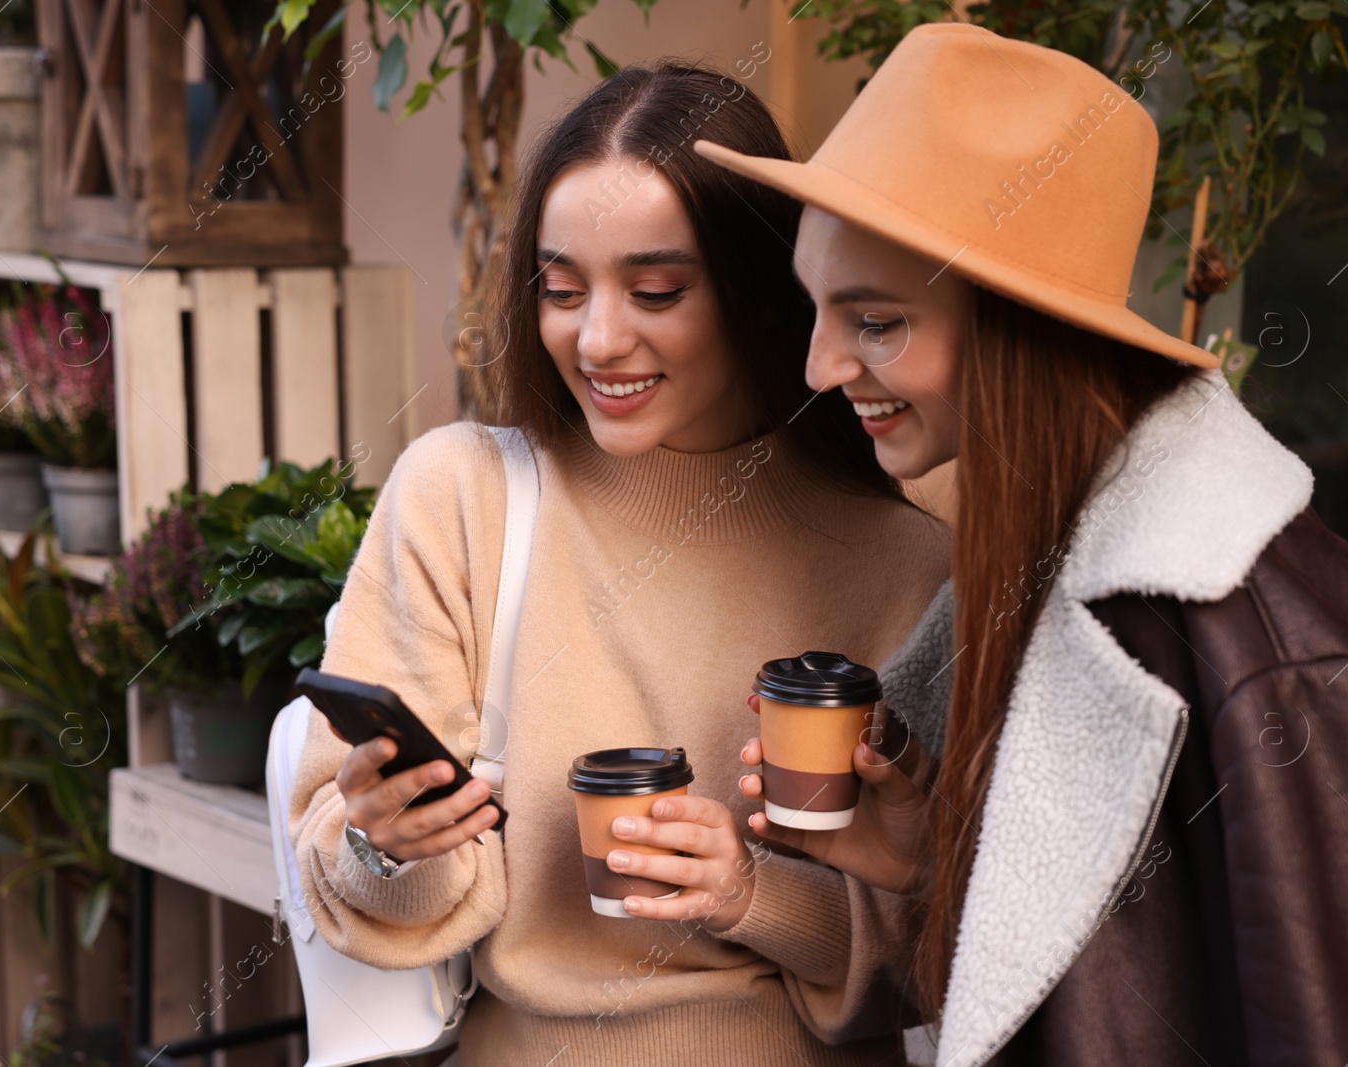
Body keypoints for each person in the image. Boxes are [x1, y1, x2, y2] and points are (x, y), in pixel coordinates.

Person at [697, 22, 1348, 1066]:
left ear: (1022, 334)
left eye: (874, 320)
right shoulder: (1041, 561)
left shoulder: (1275, 641)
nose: (818, 365)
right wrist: (920, 855)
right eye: (817, 307)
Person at [285, 60, 952, 1066]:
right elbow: (362, 885)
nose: (596, 339)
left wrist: (750, 893)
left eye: (654, 290)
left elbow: (944, 943)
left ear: (760, 289)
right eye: (559, 289)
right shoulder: (462, 497)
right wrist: (387, 844)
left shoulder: (906, 561)